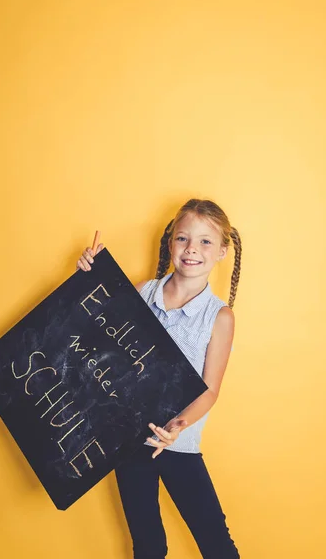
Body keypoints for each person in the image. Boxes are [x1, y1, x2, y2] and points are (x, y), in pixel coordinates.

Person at [76, 198, 242, 559]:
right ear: (170, 243)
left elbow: (211, 390)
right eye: (183, 239)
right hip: (131, 442)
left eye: (205, 242)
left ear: (222, 252)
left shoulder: (219, 317)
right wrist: (88, 280)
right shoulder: (142, 294)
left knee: (217, 545)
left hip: (178, 444)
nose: (192, 250)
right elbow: (97, 342)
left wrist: (179, 425)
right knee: (148, 545)